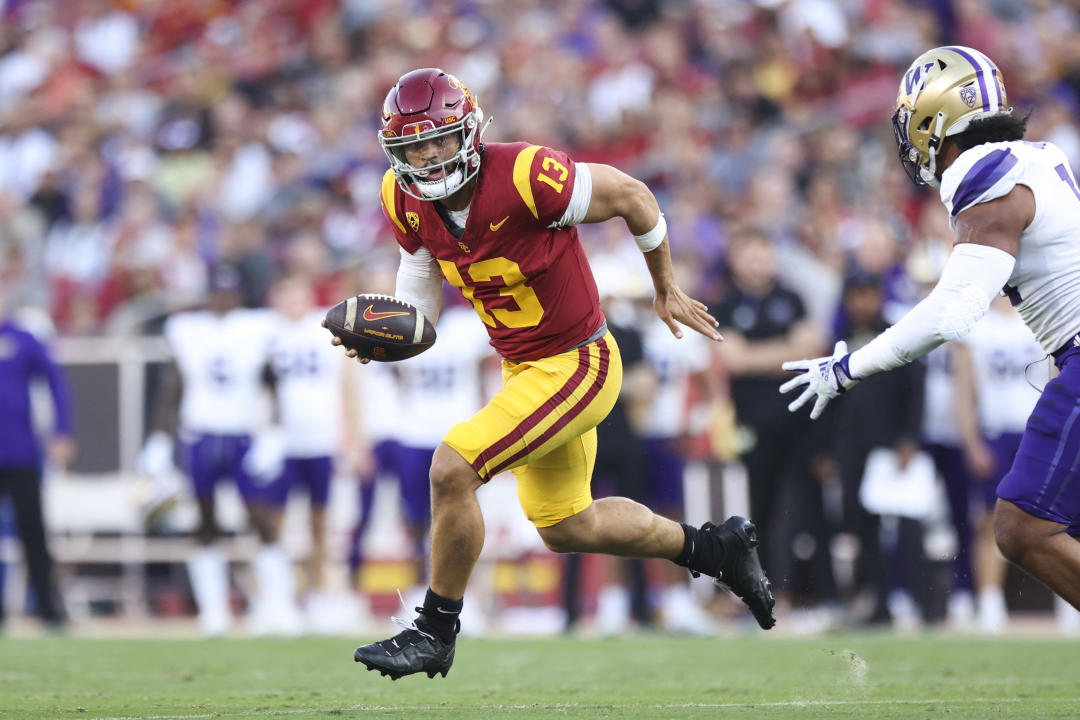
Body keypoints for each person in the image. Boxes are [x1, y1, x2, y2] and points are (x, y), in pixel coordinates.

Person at [331, 68, 775, 680]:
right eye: (413, 146)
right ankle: (716, 550)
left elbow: (634, 196)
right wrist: (394, 338)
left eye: (438, 140)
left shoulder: (524, 175)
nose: (428, 157)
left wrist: (664, 284)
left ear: (469, 131)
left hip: (579, 361)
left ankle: (435, 629)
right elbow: (421, 294)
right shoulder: (400, 196)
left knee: (452, 467)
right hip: (524, 370)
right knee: (568, 525)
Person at [781, 45, 1080, 617]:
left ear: (933, 119)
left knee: (1023, 527)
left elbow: (953, 312)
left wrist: (848, 368)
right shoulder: (1037, 156)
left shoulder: (981, 171)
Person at [145, 264, 298, 635]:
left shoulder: (257, 327)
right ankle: (213, 611)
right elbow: (173, 387)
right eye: (218, 291)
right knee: (204, 522)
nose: (224, 299)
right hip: (200, 435)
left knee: (261, 519)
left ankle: (279, 605)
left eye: (230, 292)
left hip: (242, 435)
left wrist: (274, 432)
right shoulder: (188, 330)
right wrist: (159, 438)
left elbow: (273, 381)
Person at [266, 274, 366, 629]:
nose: (292, 301)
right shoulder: (267, 332)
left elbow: (348, 383)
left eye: (297, 293)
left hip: (321, 438)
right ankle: (278, 596)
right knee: (274, 520)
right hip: (283, 442)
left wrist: (355, 437)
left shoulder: (325, 328)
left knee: (321, 521)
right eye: (285, 293)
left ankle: (318, 595)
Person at [0, 283, 73, 628]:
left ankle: (47, 607)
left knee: (33, 531)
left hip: (19, 453)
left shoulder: (22, 338)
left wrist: (62, 430)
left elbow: (56, 382)